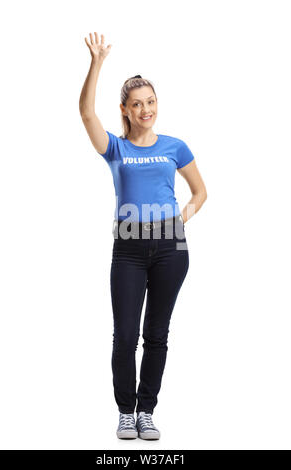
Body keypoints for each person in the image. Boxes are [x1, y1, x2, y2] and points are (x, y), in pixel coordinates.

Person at [79, 31, 207, 440]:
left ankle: (147, 411)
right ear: (126, 110)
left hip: (171, 249)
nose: (145, 109)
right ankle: (125, 410)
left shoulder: (175, 146)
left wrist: (180, 220)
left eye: (150, 102)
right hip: (129, 250)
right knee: (125, 335)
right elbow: (86, 115)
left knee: (157, 334)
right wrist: (97, 63)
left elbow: (200, 192)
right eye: (137, 104)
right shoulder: (115, 148)